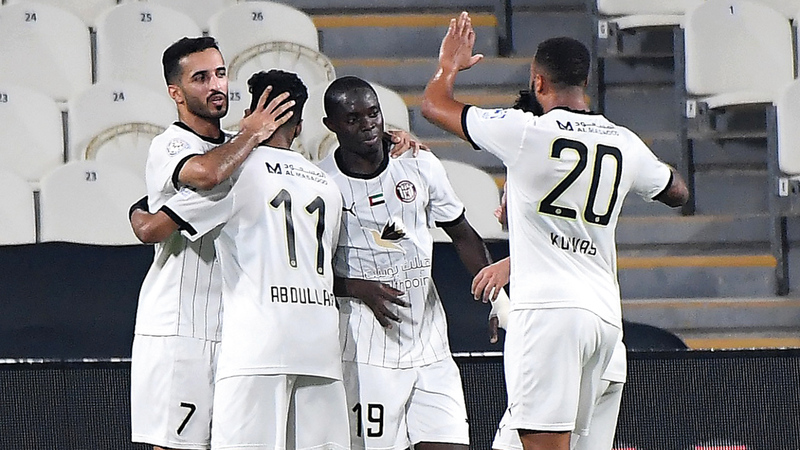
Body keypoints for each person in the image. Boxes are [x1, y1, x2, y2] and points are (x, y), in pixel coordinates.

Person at [421, 13, 689, 450]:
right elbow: (677, 192)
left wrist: (448, 66)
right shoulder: (623, 141)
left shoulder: (526, 132)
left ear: (538, 81)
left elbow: (434, 106)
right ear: (585, 81)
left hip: (550, 316)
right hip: (605, 323)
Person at [146, 69, 351, 449]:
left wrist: (138, 210)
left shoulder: (234, 174)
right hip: (321, 348)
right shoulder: (327, 184)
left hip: (257, 349)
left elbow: (155, 227)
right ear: (300, 126)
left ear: (252, 115)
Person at [318, 75, 507, 450]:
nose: (368, 124)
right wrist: (355, 287)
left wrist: (498, 300)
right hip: (366, 353)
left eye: (373, 113)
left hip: (430, 347)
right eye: (353, 118)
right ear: (331, 125)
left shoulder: (418, 164)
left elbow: (462, 233)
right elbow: (309, 270)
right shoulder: (323, 184)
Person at [129, 36, 294, 450]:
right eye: (200, 78)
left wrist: (393, 143)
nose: (216, 85)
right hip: (180, 326)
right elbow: (206, 173)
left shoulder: (240, 146)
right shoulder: (172, 144)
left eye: (220, 74)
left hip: (235, 330)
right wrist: (251, 134)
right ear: (176, 92)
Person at [472, 184, 625, 450]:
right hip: (609, 358)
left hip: (566, 358)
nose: (500, 207)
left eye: (508, 195)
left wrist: (509, 264)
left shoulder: (535, 253)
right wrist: (506, 311)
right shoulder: (582, 238)